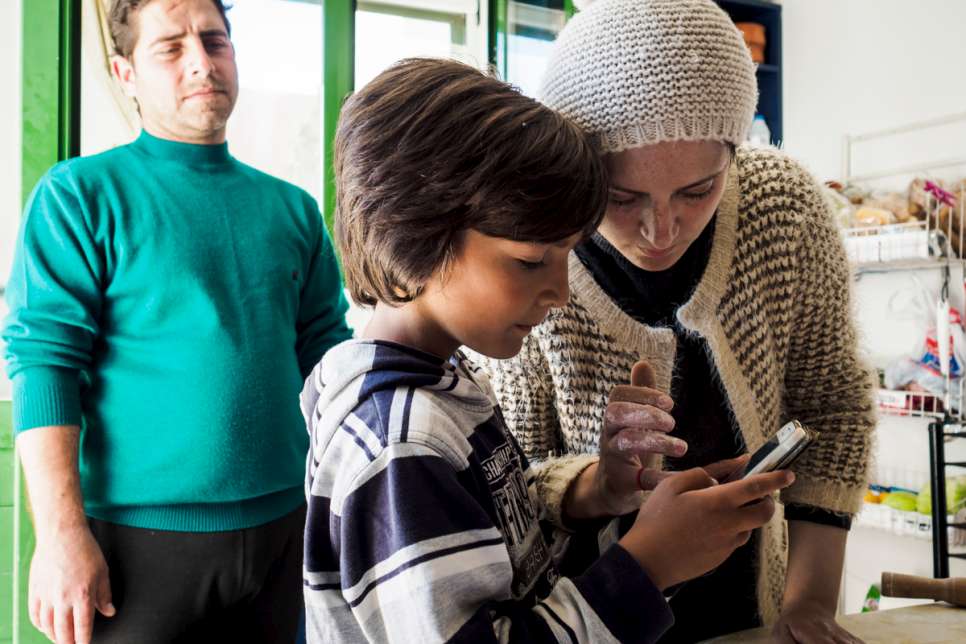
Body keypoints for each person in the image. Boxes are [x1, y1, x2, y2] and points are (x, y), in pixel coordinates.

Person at [300, 57, 795, 644]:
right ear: (412, 236)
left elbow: (499, 545)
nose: (559, 293)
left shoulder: (440, 384)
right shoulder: (402, 441)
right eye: (532, 260)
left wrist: (604, 489)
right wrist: (647, 566)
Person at [479, 1, 875, 642]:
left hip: (754, 609)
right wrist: (595, 481)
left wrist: (809, 604)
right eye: (621, 197)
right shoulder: (533, 249)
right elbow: (511, 476)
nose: (660, 232)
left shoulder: (784, 208)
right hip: (580, 617)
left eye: (698, 191)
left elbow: (832, 407)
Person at [3, 1, 351, 642]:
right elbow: (45, 364)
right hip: (137, 547)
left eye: (215, 41)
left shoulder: (294, 211)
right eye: (170, 48)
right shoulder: (79, 196)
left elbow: (329, 362)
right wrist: (60, 539)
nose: (202, 62)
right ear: (124, 71)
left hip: (288, 533)